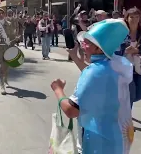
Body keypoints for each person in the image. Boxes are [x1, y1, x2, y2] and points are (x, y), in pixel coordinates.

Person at [51, 19, 133, 154]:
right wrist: (76, 57)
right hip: (117, 138)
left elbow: (71, 110)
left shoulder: (95, 72)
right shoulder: (114, 64)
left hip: (99, 142)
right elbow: (95, 78)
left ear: (99, 48)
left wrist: (58, 89)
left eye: (88, 42)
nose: (83, 43)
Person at [0, 8, 20, 94]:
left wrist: (16, 40)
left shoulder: (9, 24)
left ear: (4, 15)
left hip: (8, 47)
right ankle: (2, 85)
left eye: (2, 13)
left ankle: (5, 78)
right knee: (0, 66)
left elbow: (12, 36)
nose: (0, 15)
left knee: (6, 66)